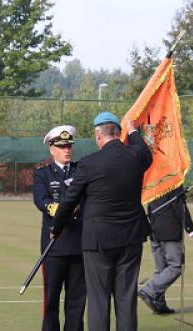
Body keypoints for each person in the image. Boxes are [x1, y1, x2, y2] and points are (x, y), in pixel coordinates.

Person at [51, 112, 152, 331]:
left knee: (98, 300)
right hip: (130, 238)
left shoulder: (89, 163)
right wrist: (133, 129)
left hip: (98, 241)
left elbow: (69, 201)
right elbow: (145, 151)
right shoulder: (136, 156)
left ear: (98, 135)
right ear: (118, 133)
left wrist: (56, 228)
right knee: (126, 300)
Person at [33, 125, 86, 331]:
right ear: (51, 148)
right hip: (54, 245)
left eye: (69, 146)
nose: (67, 150)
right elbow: (41, 200)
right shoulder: (43, 174)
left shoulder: (81, 170)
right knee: (51, 298)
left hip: (78, 244)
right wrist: (61, 209)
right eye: (62, 146)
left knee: (76, 300)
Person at [138, 185, 193, 315]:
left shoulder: (154, 180)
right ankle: (150, 290)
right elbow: (179, 207)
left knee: (161, 269)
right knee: (176, 267)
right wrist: (190, 228)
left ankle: (159, 304)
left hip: (155, 229)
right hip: (170, 231)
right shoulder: (173, 180)